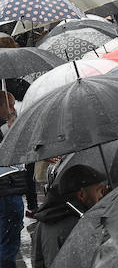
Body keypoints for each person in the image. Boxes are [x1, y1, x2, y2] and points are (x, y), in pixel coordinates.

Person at [32, 164, 107, 268]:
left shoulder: (43, 222)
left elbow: (38, 261)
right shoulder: (79, 227)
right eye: (98, 190)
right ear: (81, 195)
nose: (101, 196)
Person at [0, 93, 26, 268]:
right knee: (7, 247)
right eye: (9, 105)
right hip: (6, 190)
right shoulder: (4, 130)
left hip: (10, 189)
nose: (13, 109)